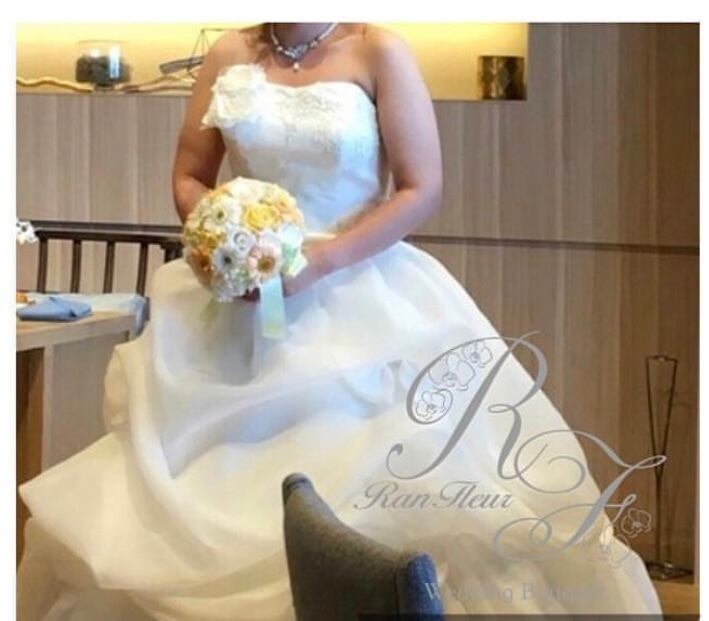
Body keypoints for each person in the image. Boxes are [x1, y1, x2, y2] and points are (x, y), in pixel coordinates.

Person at [18, 23, 662, 619]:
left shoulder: (379, 50)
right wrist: (225, 237)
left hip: (360, 288)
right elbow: (190, 175)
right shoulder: (227, 53)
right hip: (241, 301)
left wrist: (319, 261)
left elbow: (420, 188)